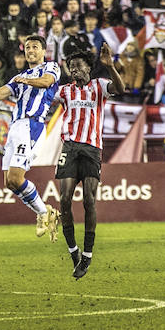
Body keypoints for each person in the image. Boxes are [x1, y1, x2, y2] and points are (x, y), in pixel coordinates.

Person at [0, 35, 61, 239]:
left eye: (35, 47)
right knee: (9, 182)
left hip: (32, 125)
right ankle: (46, 213)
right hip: (15, 127)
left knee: (16, 177)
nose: (30, 51)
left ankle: (44, 213)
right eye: (27, 47)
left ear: (43, 51)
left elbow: (47, 82)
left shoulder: (51, 67)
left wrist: (26, 80)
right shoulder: (19, 77)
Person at [54, 40, 124, 279]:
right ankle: (73, 250)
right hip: (70, 147)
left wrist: (110, 66)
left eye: (78, 65)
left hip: (92, 149)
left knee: (89, 200)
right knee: (64, 199)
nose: (73, 70)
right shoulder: (64, 91)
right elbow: (44, 101)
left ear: (88, 68)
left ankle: (88, 254)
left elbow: (122, 89)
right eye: (70, 66)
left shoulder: (99, 86)